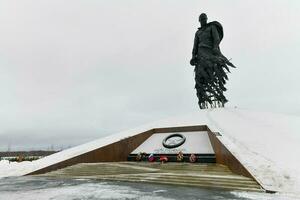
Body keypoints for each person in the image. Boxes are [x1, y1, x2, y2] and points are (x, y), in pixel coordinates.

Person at [190, 13, 235, 109]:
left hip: (210, 52)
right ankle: (203, 100)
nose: (203, 21)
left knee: (215, 70)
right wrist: (193, 56)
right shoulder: (198, 33)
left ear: (206, 19)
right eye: (201, 19)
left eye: (204, 19)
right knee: (200, 77)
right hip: (201, 54)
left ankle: (219, 96)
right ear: (199, 21)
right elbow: (195, 46)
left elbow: (216, 38)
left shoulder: (211, 27)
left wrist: (215, 47)